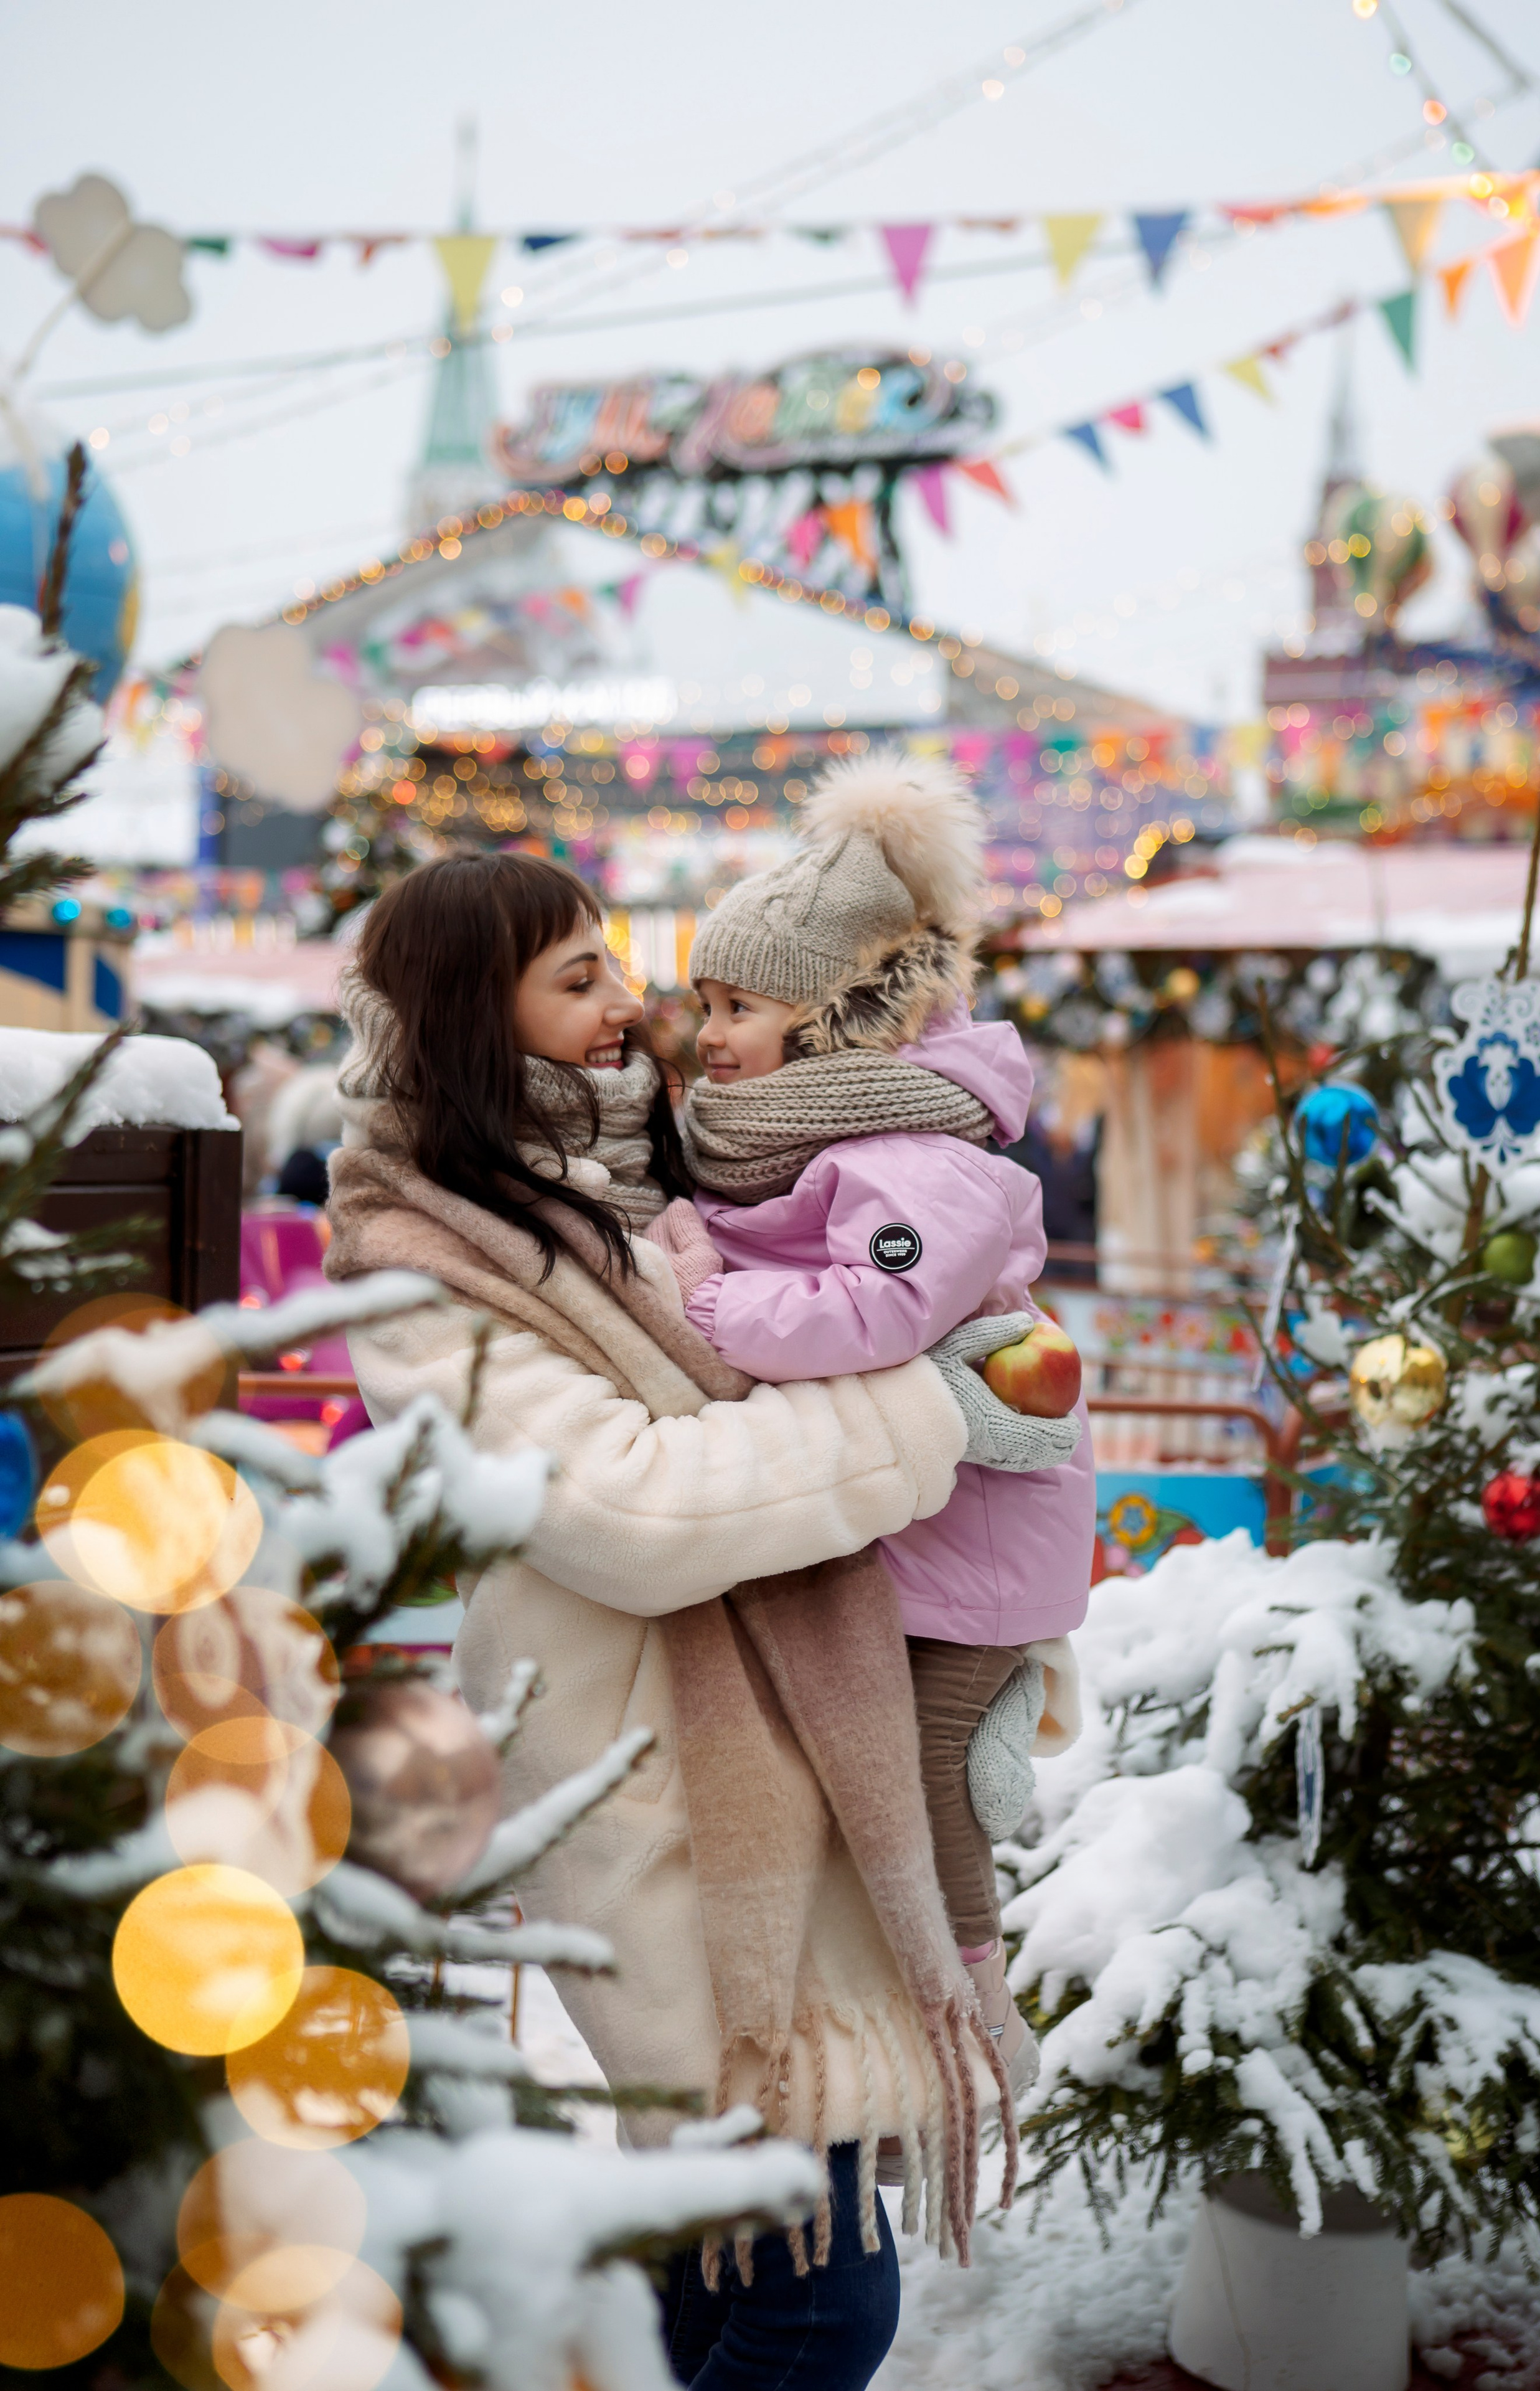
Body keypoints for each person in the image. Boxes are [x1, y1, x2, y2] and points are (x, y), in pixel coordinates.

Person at [323, 850, 1078, 2391]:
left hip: (781, 1750)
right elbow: (634, 1510)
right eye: (579, 977)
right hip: (657, 1787)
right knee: (815, 2304)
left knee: (706, 2274)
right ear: (476, 1012)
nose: (632, 1003)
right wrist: (924, 1411)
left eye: (617, 964)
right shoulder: (420, 1258)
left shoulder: (649, 1172)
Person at [649, 755, 1095, 2095]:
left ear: (832, 1015)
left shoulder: (912, 1154)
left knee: (919, 1776)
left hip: (974, 1533)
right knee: (870, 1750)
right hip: (916, 1517)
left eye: (740, 1007)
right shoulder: (802, 1134)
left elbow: (882, 1307)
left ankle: (973, 2011)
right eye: (704, 1004)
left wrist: (709, 1308)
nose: (710, 1035)